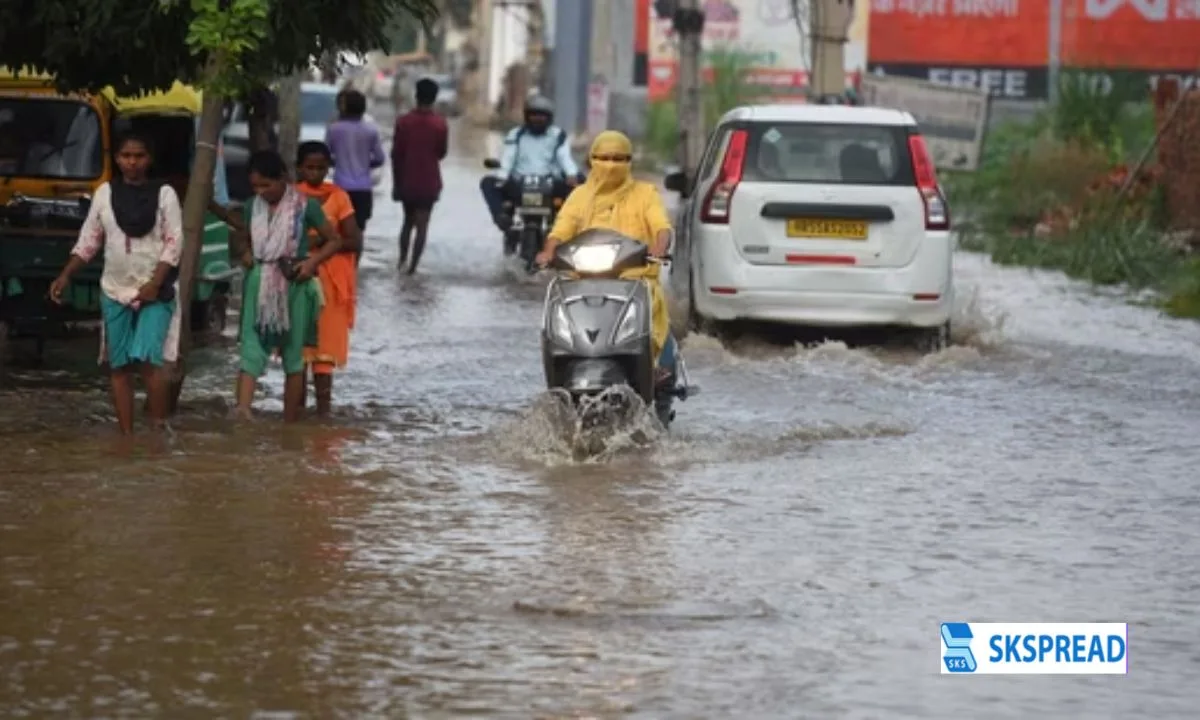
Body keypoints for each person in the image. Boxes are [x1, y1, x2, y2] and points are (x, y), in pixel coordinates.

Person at [48, 133, 183, 435]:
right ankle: (126, 436)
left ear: (149, 159)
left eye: (139, 156)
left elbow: (174, 244)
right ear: (117, 158)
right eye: (126, 156)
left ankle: (157, 432)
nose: (132, 162)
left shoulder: (165, 194)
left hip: (155, 292)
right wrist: (66, 274)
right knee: (118, 367)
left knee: (149, 360)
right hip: (114, 289)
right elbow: (89, 240)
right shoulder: (104, 193)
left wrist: (154, 283)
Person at [534, 130, 675, 382]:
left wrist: (660, 245)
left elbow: (661, 226)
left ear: (629, 162)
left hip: (635, 280)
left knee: (652, 303)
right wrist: (548, 251)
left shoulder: (645, 194)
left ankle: (651, 366)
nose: (611, 165)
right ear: (592, 160)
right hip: (583, 279)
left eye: (619, 159)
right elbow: (562, 228)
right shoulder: (580, 196)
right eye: (605, 158)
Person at [233, 150, 344, 422]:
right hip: (258, 283)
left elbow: (334, 240)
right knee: (250, 347)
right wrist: (246, 255)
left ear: (282, 179)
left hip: (294, 282)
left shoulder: (306, 206)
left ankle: (290, 421)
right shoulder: (251, 206)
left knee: (294, 355)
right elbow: (241, 239)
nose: (261, 191)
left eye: (266, 185)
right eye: (256, 186)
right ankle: (243, 413)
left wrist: (311, 263)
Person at [295, 141, 363, 418]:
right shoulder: (291, 197)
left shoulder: (340, 197)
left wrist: (320, 241)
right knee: (297, 349)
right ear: (299, 167)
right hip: (298, 278)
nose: (315, 173)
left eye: (321, 168)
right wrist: (326, 238)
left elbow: (354, 239)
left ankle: (323, 412)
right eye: (309, 167)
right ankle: (294, 413)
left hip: (332, 283)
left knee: (325, 349)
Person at [480, 96, 583, 233]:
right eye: (534, 115)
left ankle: (571, 222)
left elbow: (564, 157)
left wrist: (572, 174)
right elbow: (508, 158)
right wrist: (502, 177)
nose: (537, 119)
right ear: (527, 116)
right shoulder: (516, 134)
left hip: (550, 184)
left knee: (582, 183)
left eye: (541, 116)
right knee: (487, 182)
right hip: (519, 183)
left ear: (549, 118)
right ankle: (501, 216)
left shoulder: (557, 135)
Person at [391, 77, 448, 274]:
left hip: (407, 180)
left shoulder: (403, 122)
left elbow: (396, 154)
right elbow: (441, 152)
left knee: (407, 221)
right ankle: (413, 268)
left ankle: (401, 262)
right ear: (434, 98)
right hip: (429, 182)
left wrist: (396, 183)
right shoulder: (440, 124)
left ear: (416, 96)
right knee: (423, 225)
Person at [325, 89, 385, 233]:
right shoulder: (371, 130)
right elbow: (380, 158)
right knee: (359, 230)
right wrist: (364, 164)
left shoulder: (334, 130)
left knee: (339, 230)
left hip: (340, 187)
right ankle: (356, 256)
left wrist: (338, 162)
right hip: (363, 188)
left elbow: (325, 155)